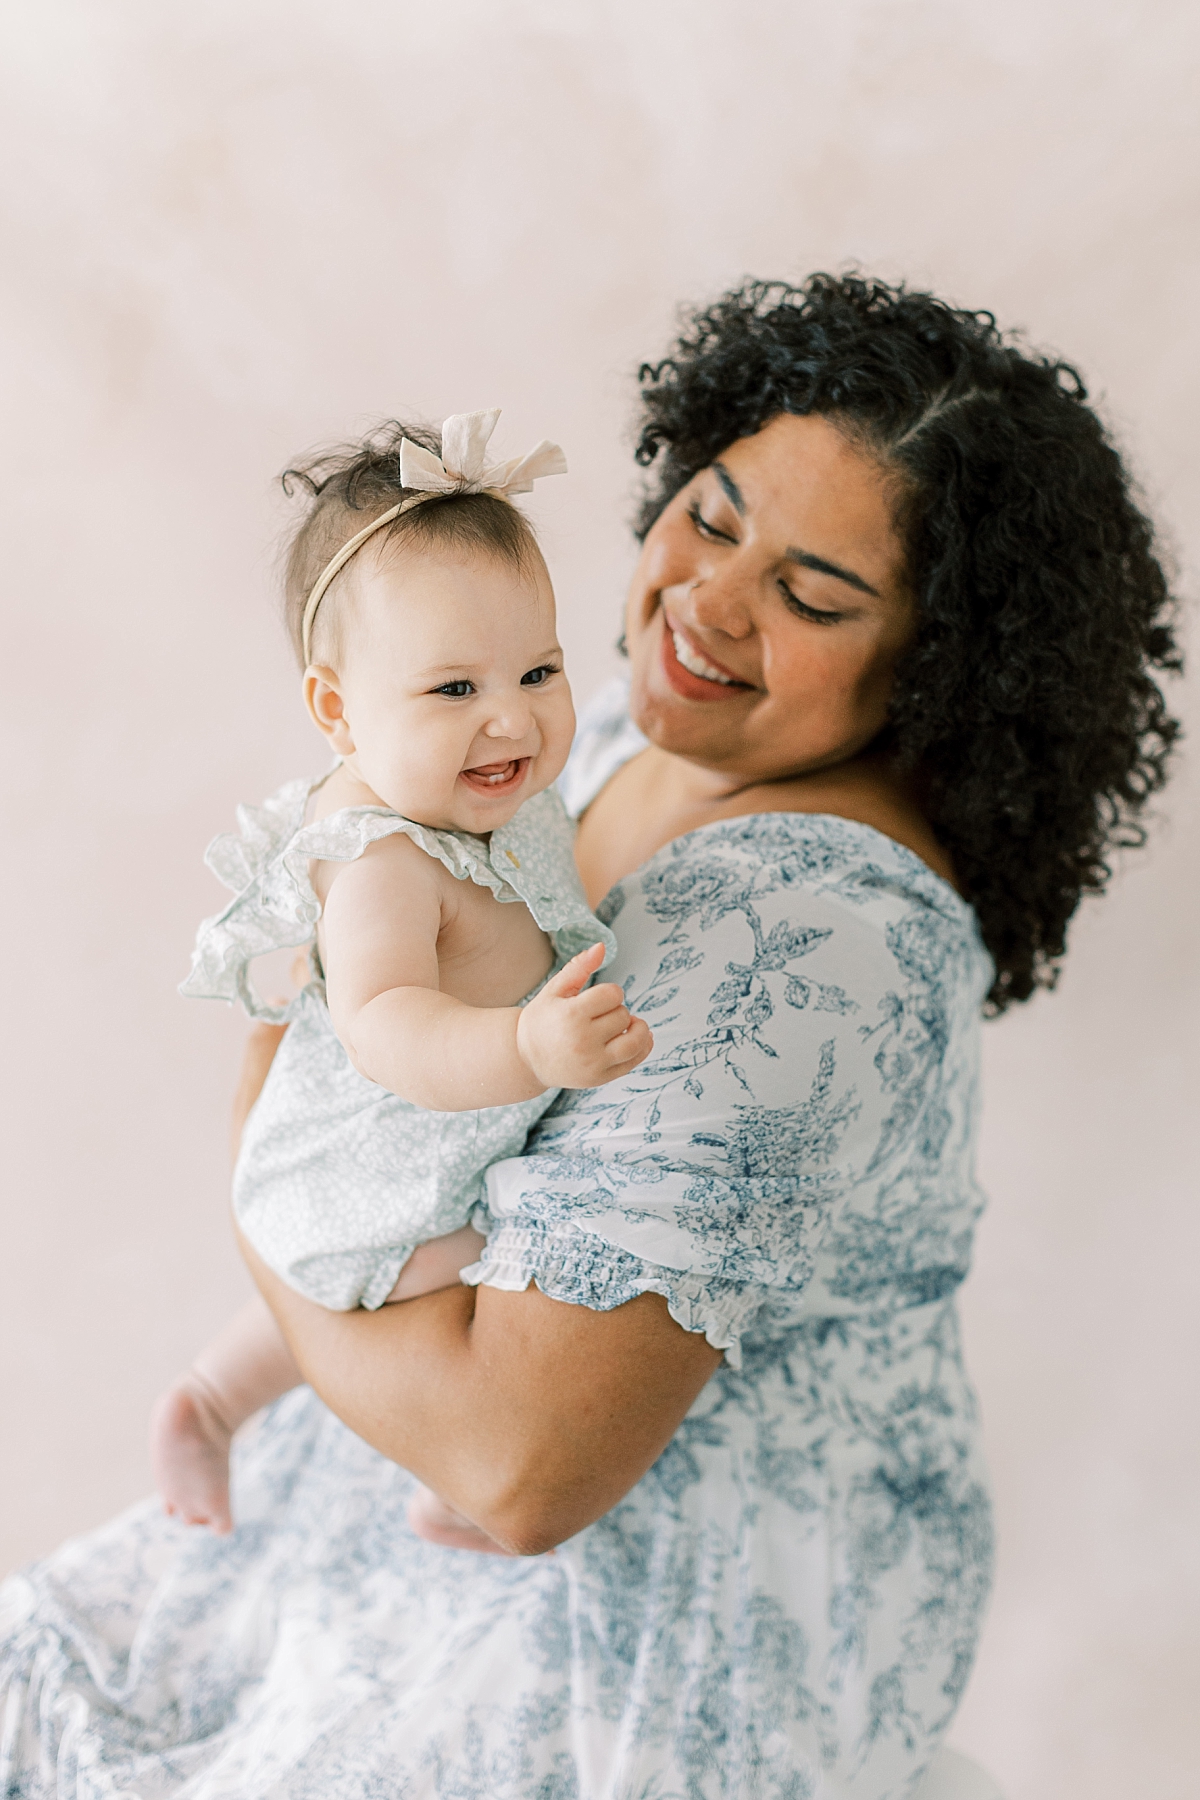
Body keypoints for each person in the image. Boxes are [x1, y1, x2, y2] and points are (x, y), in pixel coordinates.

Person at [0, 274, 1179, 1799]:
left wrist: (262, 1167)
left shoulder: (813, 934)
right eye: (712, 513)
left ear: (937, 674)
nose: (707, 603)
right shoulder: (607, 728)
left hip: (666, 1604)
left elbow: (520, 1468)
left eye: (816, 597)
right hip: (412, 1405)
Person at [152, 409, 651, 1541]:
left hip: (454, 1123)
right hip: (388, 1138)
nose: (512, 717)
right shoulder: (381, 854)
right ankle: (417, 1463)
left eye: (539, 668)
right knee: (443, 1274)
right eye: (454, 690)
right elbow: (385, 1020)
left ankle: (209, 1399)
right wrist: (526, 1048)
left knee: (381, 1275)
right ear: (339, 712)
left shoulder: (485, 791)